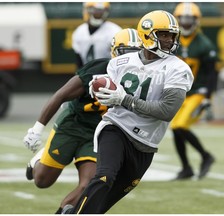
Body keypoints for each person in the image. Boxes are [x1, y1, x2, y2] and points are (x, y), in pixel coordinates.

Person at [63, 10, 193, 214]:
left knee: (102, 204)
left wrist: (124, 99)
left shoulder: (178, 69)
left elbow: (167, 111)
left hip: (146, 144)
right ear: (147, 34)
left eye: (171, 35)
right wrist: (97, 90)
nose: (169, 40)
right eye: (163, 34)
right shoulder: (120, 62)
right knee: (104, 178)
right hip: (116, 127)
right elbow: (104, 92)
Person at [23, 28, 142, 214]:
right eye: (126, 53)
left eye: (136, 53)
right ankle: (39, 159)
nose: (131, 59)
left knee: (89, 185)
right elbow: (60, 95)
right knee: (42, 181)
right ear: (114, 52)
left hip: (97, 132)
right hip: (72, 125)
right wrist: (36, 129)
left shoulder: (142, 79)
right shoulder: (98, 69)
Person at [171, 2, 217, 180]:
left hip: (197, 91)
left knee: (179, 126)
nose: (187, 23)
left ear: (197, 21)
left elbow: (212, 73)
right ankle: (186, 168)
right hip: (180, 92)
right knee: (175, 129)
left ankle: (206, 156)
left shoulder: (204, 44)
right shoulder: (172, 41)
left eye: (190, 20)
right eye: (183, 19)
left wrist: (208, 97)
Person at [72, 2, 122, 68]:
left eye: (100, 11)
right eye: (94, 10)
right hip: (86, 73)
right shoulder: (79, 31)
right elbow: (79, 62)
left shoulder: (115, 31)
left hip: (108, 73)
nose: (97, 14)